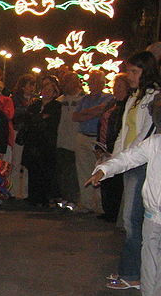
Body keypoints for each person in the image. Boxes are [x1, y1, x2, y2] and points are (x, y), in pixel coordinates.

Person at [89, 132, 161, 296]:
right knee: (149, 262)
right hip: (154, 215)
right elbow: (128, 158)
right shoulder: (155, 143)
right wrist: (104, 170)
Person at [105, 51, 161, 290]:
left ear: (146, 72)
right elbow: (124, 133)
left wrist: (125, 159)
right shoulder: (134, 97)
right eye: (129, 71)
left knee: (132, 218)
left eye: (134, 72)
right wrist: (113, 159)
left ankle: (133, 273)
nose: (129, 76)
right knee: (130, 219)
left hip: (140, 164)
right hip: (129, 161)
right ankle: (130, 269)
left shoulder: (153, 97)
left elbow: (145, 136)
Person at [19, 75, 62, 208]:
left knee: (45, 170)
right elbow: (28, 119)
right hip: (32, 141)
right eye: (45, 89)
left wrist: (38, 119)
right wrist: (40, 118)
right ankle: (33, 196)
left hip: (46, 142)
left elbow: (50, 122)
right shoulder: (36, 104)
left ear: (55, 93)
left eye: (50, 90)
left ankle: (44, 198)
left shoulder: (56, 106)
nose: (46, 92)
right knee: (33, 169)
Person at [72, 70, 111, 213]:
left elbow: (102, 111)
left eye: (95, 81)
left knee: (100, 170)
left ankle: (101, 205)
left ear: (102, 83)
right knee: (83, 170)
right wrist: (92, 112)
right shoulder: (84, 99)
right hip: (83, 135)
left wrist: (87, 113)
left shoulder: (108, 98)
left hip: (97, 138)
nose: (92, 84)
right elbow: (76, 117)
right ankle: (86, 203)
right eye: (91, 81)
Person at [97, 73, 130, 222]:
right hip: (104, 144)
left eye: (120, 86)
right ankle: (108, 211)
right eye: (115, 86)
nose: (117, 89)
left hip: (116, 146)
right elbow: (102, 123)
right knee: (106, 179)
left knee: (116, 181)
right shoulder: (112, 103)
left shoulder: (127, 104)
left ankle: (115, 213)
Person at [56, 72, 84, 208]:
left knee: (74, 173)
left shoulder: (83, 99)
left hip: (75, 141)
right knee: (63, 172)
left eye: (68, 82)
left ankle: (74, 199)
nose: (65, 85)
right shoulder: (60, 100)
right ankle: (65, 197)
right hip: (62, 141)